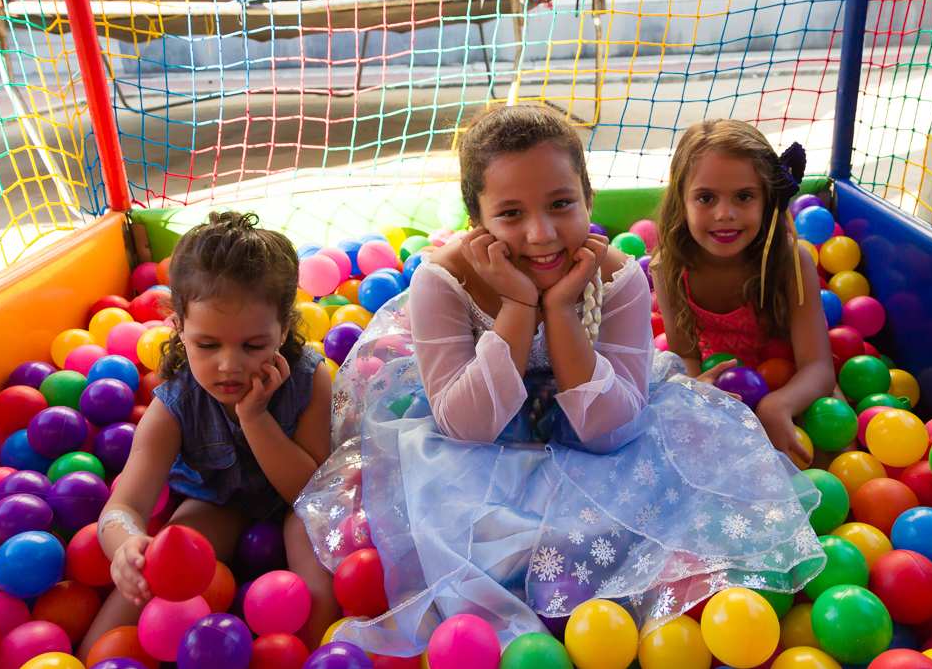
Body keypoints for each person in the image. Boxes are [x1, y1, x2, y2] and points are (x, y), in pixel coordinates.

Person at [294, 106, 825, 658]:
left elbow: (610, 433)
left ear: (589, 200)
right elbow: (466, 426)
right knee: (481, 547)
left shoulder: (617, 275)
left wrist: (564, 313)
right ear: (477, 221)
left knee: (666, 512)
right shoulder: (443, 282)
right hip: (479, 446)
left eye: (561, 204)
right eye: (510, 213)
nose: (540, 234)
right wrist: (521, 307)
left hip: (595, 438)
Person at [77, 211, 340, 661]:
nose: (230, 365)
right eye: (208, 344)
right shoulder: (173, 406)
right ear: (178, 326)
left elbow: (310, 493)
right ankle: (88, 658)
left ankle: (315, 655)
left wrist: (255, 420)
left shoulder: (310, 380)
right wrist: (126, 548)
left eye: (254, 345)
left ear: (283, 326)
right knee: (161, 565)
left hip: (295, 504)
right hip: (215, 502)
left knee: (316, 565)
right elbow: (124, 506)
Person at [651, 119, 836, 465]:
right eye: (706, 198)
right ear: (682, 200)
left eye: (744, 196)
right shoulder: (669, 267)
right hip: (725, 385)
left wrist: (776, 403)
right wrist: (697, 386)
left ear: (767, 199)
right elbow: (687, 356)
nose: (725, 214)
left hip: (794, 382)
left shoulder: (791, 261)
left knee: (830, 442)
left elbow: (819, 368)